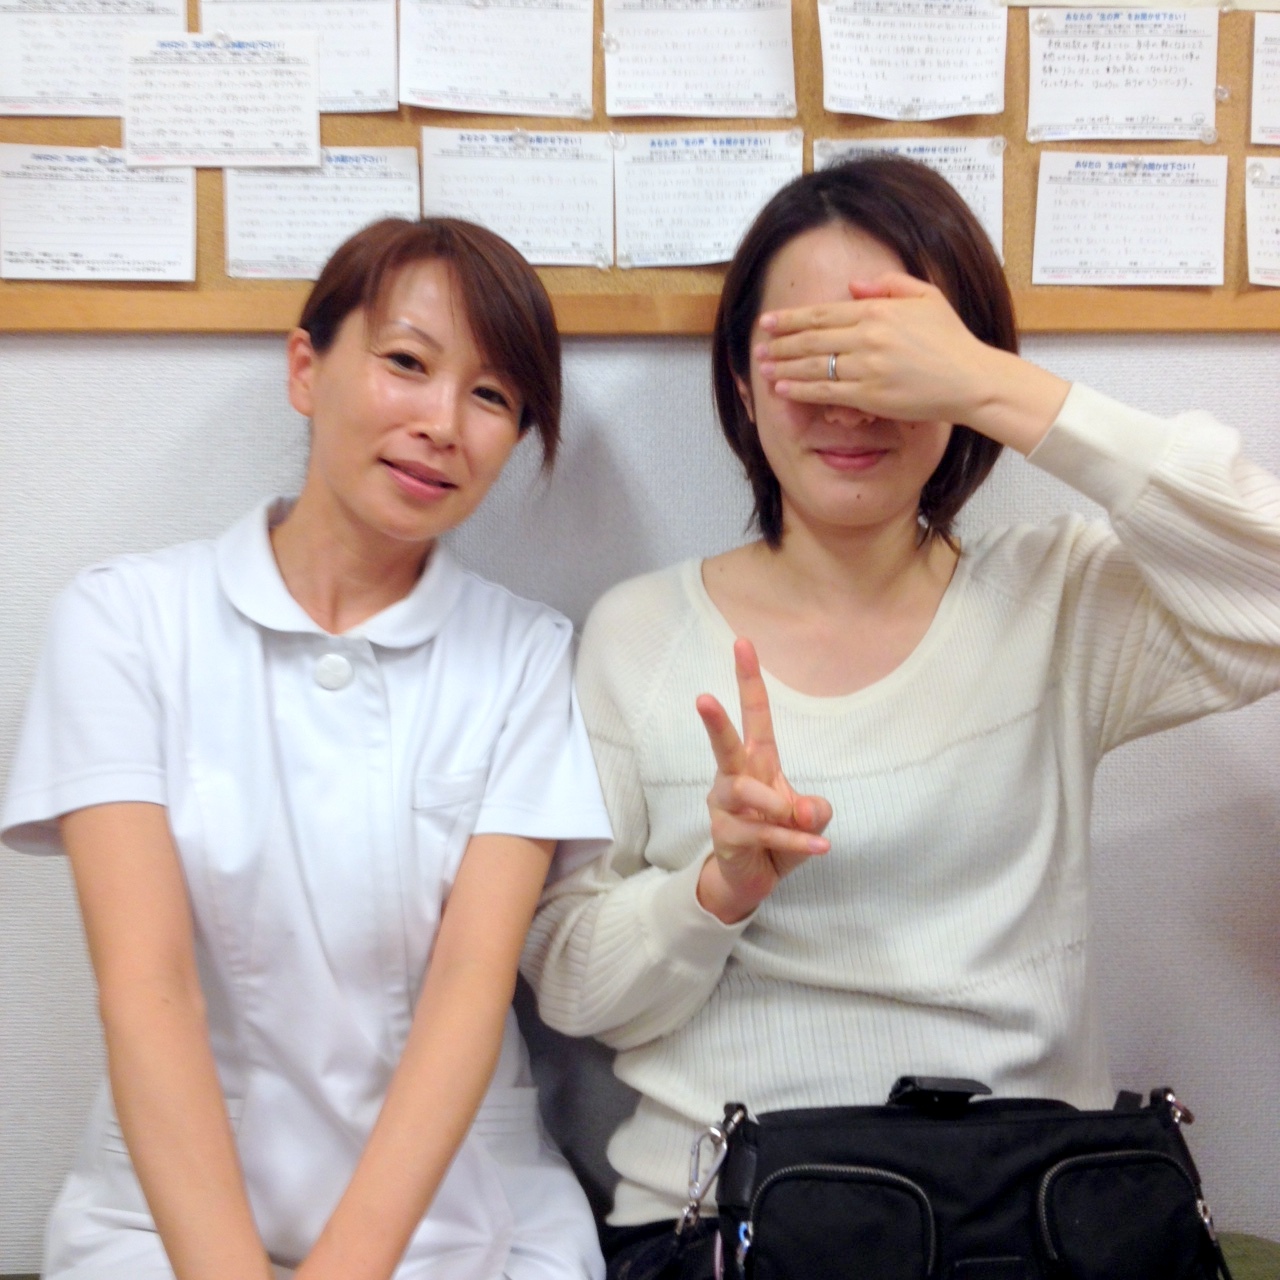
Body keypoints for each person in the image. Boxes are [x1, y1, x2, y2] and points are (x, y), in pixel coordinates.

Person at [521, 157, 1280, 1271]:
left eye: (888, 352)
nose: (849, 399)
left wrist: (999, 388)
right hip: (736, 1224)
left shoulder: (1059, 599)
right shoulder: (640, 634)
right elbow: (573, 986)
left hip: (1025, 1213)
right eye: (806, 353)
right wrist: (714, 891)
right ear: (740, 381)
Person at [1, 217, 612, 1280]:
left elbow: (469, 984)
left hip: (460, 1217)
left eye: (491, 395)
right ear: (305, 368)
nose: (441, 423)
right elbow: (147, 986)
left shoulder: (524, 655)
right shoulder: (124, 622)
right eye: (407, 362)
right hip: (164, 1222)